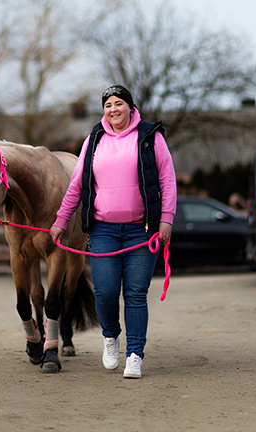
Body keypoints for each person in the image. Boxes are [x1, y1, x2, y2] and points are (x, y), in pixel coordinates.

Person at [50, 85, 176, 379]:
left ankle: (135, 354)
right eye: (108, 105)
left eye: (119, 103)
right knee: (105, 292)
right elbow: (76, 186)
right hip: (103, 230)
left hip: (142, 231)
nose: (113, 109)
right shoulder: (93, 140)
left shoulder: (150, 137)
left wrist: (166, 219)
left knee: (135, 293)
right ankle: (111, 337)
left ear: (131, 107)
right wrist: (60, 220)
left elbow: (167, 180)